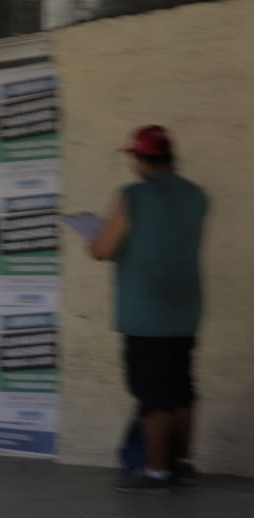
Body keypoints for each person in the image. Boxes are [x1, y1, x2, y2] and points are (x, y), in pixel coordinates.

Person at [89, 125, 208, 493]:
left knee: (153, 395)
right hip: (186, 306)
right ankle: (183, 462)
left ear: (141, 159)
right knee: (182, 389)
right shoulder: (197, 196)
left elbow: (103, 249)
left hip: (146, 310)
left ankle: (157, 472)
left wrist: (94, 235)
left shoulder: (131, 196)